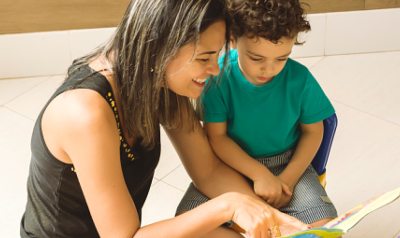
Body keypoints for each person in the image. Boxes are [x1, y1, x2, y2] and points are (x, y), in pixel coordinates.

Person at [20, 0, 310, 237]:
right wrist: (229, 207)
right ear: (161, 46)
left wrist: (275, 220)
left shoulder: (158, 79)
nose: (215, 70)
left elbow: (207, 171)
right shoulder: (85, 113)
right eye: (205, 57)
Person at [176, 0, 338, 233]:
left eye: (281, 58)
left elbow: (314, 131)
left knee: (326, 228)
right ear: (232, 39)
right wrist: (259, 174)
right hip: (230, 166)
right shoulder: (217, 77)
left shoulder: (300, 79)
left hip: (287, 163)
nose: (269, 69)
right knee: (188, 224)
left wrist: (287, 181)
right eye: (256, 58)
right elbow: (217, 138)